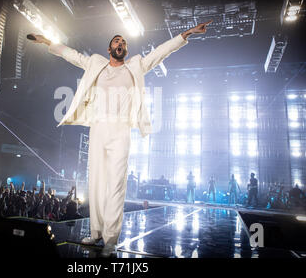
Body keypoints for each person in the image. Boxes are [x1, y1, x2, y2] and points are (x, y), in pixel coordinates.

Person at [28, 20, 211, 257]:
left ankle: (111, 240)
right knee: (96, 183)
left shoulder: (136, 66)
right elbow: (72, 55)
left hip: (121, 131)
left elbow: (161, 52)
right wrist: (48, 42)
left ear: (125, 50)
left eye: (123, 42)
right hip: (98, 128)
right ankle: (95, 234)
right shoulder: (96, 63)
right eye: (117, 41)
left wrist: (187, 34)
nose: (121, 43)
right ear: (109, 49)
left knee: (116, 186)